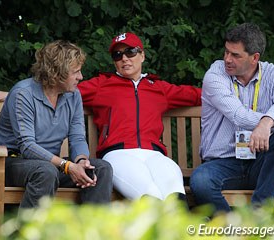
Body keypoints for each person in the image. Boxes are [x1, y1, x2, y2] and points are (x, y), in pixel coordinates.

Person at [190, 23, 274, 214]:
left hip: (260, 162)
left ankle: (257, 218)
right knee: (200, 181)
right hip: (222, 163)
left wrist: (267, 123)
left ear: (254, 58)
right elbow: (238, 115)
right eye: (226, 52)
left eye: (235, 55)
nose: (227, 59)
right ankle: (234, 230)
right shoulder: (215, 75)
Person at [77, 32, 202, 203]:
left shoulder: (158, 87)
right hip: (118, 153)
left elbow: (201, 96)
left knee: (175, 193)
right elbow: (65, 91)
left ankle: (184, 229)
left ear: (142, 55)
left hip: (154, 154)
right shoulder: (101, 85)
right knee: (152, 195)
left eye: (131, 52)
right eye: (118, 54)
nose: (124, 58)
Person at [0, 40, 113, 209]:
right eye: (76, 72)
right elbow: (27, 146)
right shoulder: (23, 94)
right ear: (56, 73)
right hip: (12, 163)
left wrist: (81, 162)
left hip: (52, 165)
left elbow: (77, 137)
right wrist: (67, 166)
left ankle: (92, 232)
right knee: (45, 172)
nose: (80, 77)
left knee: (101, 169)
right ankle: (28, 233)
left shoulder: (73, 95)